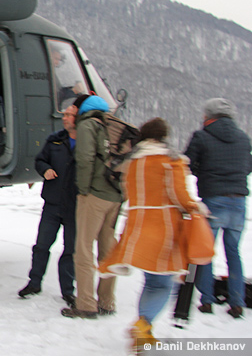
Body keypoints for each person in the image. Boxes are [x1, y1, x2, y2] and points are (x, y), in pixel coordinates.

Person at [98, 118, 204, 353]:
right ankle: (143, 325)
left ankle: (143, 332)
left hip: (137, 227)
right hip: (164, 228)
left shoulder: (132, 162)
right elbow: (179, 195)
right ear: (163, 136)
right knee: (163, 284)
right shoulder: (170, 161)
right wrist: (195, 208)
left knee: (152, 281)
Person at [184, 98, 252, 319]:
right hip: (238, 202)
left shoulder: (201, 136)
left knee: (206, 252)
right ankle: (237, 302)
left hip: (213, 200)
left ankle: (207, 301)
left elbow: (189, 164)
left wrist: (205, 173)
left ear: (209, 116)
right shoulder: (243, 138)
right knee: (234, 252)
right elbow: (248, 167)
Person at [61, 94, 124, 319]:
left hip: (95, 196)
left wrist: (83, 189)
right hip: (115, 196)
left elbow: (85, 157)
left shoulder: (88, 124)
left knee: (84, 249)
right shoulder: (111, 125)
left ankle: (86, 304)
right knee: (108, 250)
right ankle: (107, 302)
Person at [19, 104, 78, 307]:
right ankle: (34, 283)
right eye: (65, 114)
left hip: (75, 207)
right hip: (52, 204)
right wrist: (45, 170)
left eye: (70, 115)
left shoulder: (87, 144)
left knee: (70, 251)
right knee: (41, 246)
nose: (65, 118)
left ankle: (68, 291)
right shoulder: (55, 139)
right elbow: (40, 160)